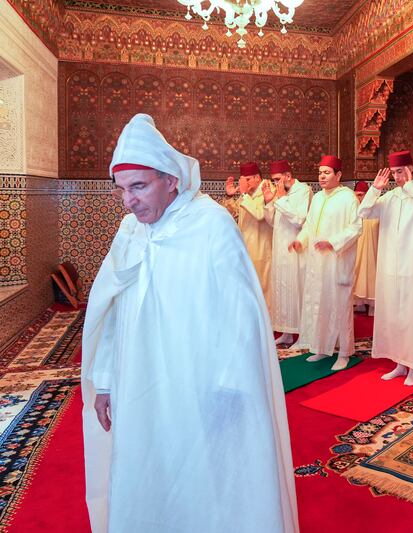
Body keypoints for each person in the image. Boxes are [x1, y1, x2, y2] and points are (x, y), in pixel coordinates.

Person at [81, 114, 297, 532]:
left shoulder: (210, 225)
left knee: (203, 485)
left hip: (199, 390)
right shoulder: (130, 230)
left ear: (172, 180)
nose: (129, 201)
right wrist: (106, 381)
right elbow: (113, 312)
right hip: (139, 386)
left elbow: (242, 316)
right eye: (122, 190)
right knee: (147, 474)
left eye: (139, 187)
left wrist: (231, 388)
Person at [359, 150, 413, 386]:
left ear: (410, 170)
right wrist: (375, 189)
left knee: (411, 315)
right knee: (392, 315)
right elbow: (362, 212)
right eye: (394, 173)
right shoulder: (390, 198)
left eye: (400, 171)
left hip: (412, 266)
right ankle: (399, 363)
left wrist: (409, 184)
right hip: (389, 268)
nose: (397, 176)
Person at [290, 155, 362, 371]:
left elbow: (356, 227)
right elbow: (310, 225)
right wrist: (300, 240)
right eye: (320, 172)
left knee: (339, 305)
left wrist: (332, 242)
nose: (322, 176)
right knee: (319, 303)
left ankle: (345, 352)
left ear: (338, 175)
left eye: (327, 172)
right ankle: (321, 347)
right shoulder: (319, 198)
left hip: (337, 261)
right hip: (318, 262)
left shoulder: (348, 197)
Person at [265, 159, 311, 345]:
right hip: (279, 248)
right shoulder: (280, 193)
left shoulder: (303, 191)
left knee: (295, 290)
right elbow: (271, 222)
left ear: (288, 176)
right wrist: (270, 201)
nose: (275, 183)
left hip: (296, 249)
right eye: (273, 180)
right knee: (281, 290)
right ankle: (286, 332)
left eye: (277, 179)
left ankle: (302, 333)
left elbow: (299, 219)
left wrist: (281, 198)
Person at [225, 161, 274, 311]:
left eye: (247, 180)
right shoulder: (249, 193)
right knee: (248, 287)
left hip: (261, 248)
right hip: (246, 246)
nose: (244, 183)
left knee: (262, 287)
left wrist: (244, 194)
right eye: (243, 180)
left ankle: (266, 326)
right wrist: (229, 196)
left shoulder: (267, 190)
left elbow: (260, 214)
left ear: (257, 178)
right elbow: (234, 212)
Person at [353, 180, 379, 316]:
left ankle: (374, 305)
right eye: (357, 195)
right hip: (359, 249)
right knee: (358, 273)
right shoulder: (354, 209)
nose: (360, 198)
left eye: (362, 195)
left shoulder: (374, 207)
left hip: (373, 250)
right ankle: (360, 303)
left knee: (371, 273)